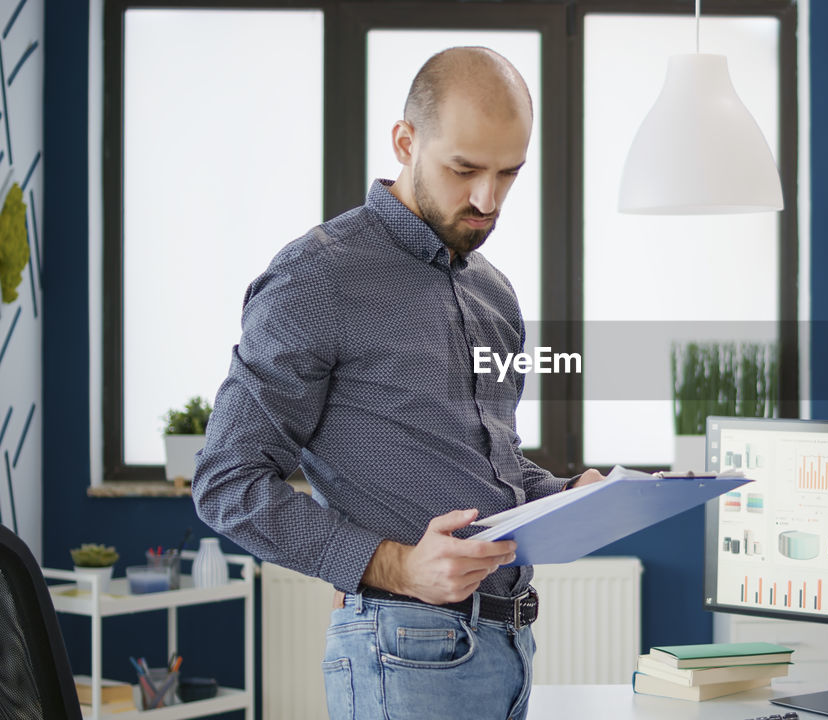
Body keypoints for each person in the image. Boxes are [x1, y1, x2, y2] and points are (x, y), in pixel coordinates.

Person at [192, 47, 601, 720]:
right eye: (464, 169)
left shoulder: (495, 294)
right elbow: (226, 480)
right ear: (405, 141)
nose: (487, 199)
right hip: (404, 648)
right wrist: (394, 565)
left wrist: (570, 497)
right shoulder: (314, 279)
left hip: (511, 643)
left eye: (508, 174)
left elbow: (484, 466)